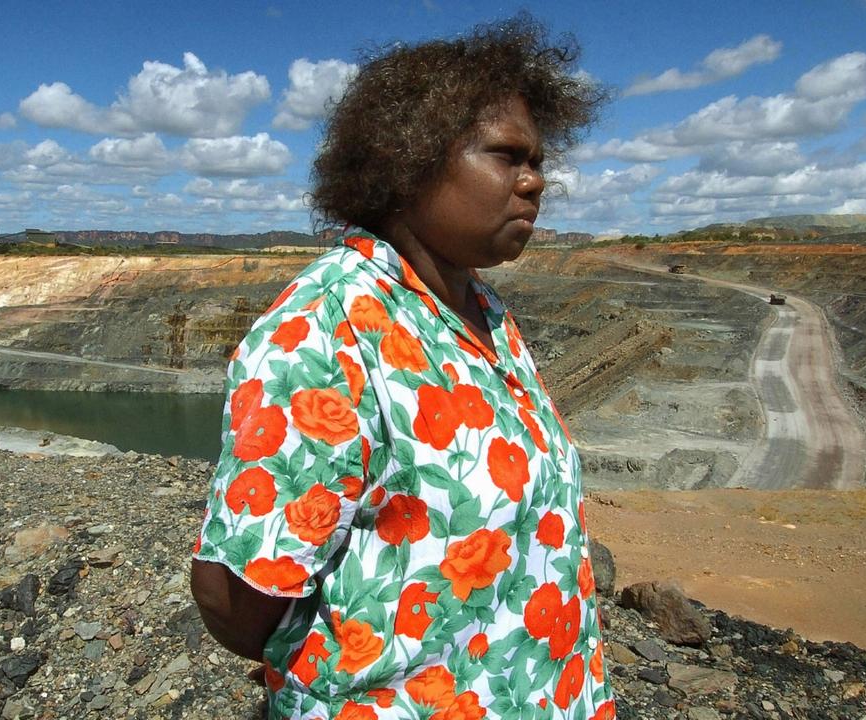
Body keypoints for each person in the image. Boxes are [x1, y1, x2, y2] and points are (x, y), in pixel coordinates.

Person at [191, 15, 613, 720]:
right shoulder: (328, 329)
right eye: (508, 156)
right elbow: (236, 600)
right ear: (407, 159)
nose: (536, 181)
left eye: (539, 160)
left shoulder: (483, 311)